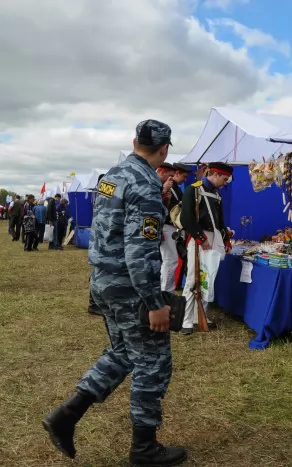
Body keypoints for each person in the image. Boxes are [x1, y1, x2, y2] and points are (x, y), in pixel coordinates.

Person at [42, 119, 187, 466]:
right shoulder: (146, 184)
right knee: (152, 363)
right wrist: (154, 303)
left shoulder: (113, 175)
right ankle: (144, 448)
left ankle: (66, 416)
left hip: (104, 280)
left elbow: (107, 231)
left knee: (122, 352)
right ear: (165, 149)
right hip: (130, 287)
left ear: (134, 140)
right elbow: (139, 250)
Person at [180, 162, 233, 334]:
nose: (225, 183)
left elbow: (220, 222)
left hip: (213, 237)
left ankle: (200, 315)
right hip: (198, 237)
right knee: (192, 278)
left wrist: (225, 240)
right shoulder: (193, 190)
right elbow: (186, 218)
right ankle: (186, 320)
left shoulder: (217, 195)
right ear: (215, 174)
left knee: (207, 279)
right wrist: (201, 238)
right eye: (224, 179)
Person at [160, 162, 192, 292]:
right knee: (170, 260)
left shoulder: (177, 188)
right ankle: (165, 291)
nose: (185, 179)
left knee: (171, 260)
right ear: (176, 173)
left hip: (173, 228)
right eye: (183, 176)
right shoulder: (167, 186)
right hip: (167, 226)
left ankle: (168, 290)